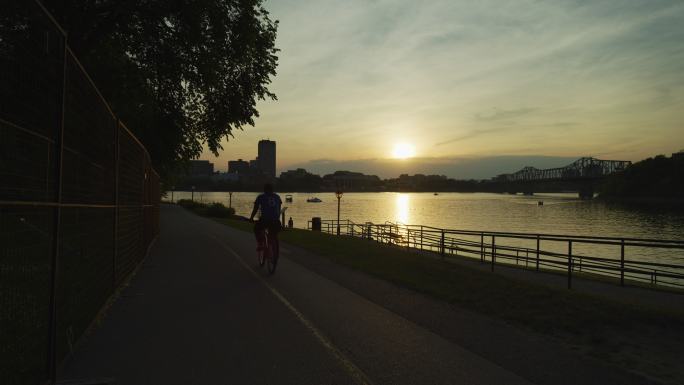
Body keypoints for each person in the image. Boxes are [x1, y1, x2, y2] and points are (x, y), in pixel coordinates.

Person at [249, 183, 282, 251]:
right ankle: (274, 245)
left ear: (264, 190)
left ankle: (260, 244)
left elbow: (255, 208)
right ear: (272, 190)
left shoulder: (261, 197)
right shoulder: (277, 197)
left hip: (265, 220)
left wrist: (251, 218)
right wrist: (277, 217)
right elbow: (279, 207)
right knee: (274, 232)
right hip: (276, 221)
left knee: (256, 228)